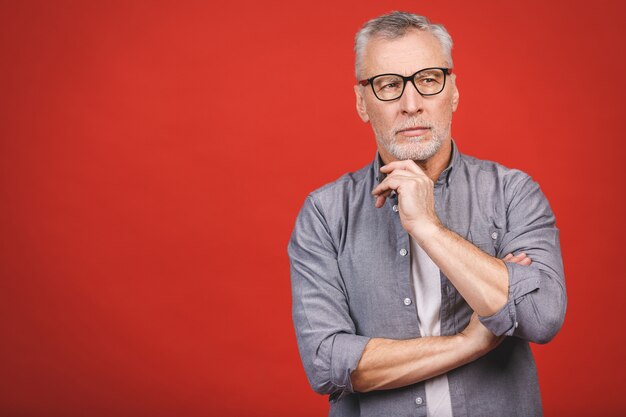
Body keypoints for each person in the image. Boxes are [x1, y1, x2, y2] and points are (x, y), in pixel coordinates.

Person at [288, 11, 566, 417]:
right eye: (388, 85)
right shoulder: (325, 215)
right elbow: (327, 363)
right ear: (362, 103)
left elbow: (540, 317)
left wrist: (428, 228)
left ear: (453, 92)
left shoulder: (512, 192)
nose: (411, 104)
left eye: (429, 80)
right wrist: (469, 342)